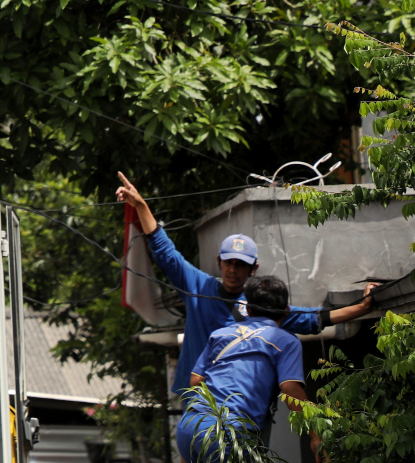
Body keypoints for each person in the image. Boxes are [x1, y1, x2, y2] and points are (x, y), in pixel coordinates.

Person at [116, 171, 376, 398]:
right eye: (229, 262)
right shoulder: (198, 286)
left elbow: (314, 318)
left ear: (254, 269)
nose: (233, 270)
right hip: (197, 395)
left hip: (241, 402)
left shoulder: (260, 304)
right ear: (219, 262)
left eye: (240, 265)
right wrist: (141, 206)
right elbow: (165, 252)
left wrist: (362, 308)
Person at [177, 275, 311, 462]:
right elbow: (290, 389)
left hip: (190, 425)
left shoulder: (220, 334)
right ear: (287, 311)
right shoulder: (286, 341)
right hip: (229, 434)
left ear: (247, 309)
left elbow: (196, 380)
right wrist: (315, 435)